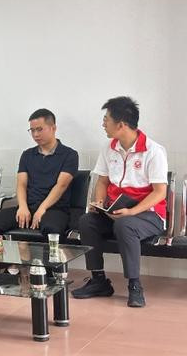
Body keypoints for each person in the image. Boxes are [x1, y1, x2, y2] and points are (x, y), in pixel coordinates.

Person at [72, 97, 168, 308]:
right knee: (87, 221)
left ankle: (135, 285)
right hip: (116, 211)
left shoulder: (153, 151)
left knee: (125, 225)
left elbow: (160, 192)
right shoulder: (109, 148)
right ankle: (99, 280)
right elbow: (102, 181)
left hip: (149, 215)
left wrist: (132, 212)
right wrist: (99, 202)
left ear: (121, 124)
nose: (103, 124)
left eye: (106, 119)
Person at [0, 109, 78, 238]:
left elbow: (61, 186)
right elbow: (21, 184)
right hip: (28, 207)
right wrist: (22, 207)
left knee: (51, 229)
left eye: (40, 129)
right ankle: (3, 251)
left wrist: (42, 209)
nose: (36, 134)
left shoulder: (70, 155)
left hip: (54, 209)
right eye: (32, 130)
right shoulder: (27, 155)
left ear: (53, 128)